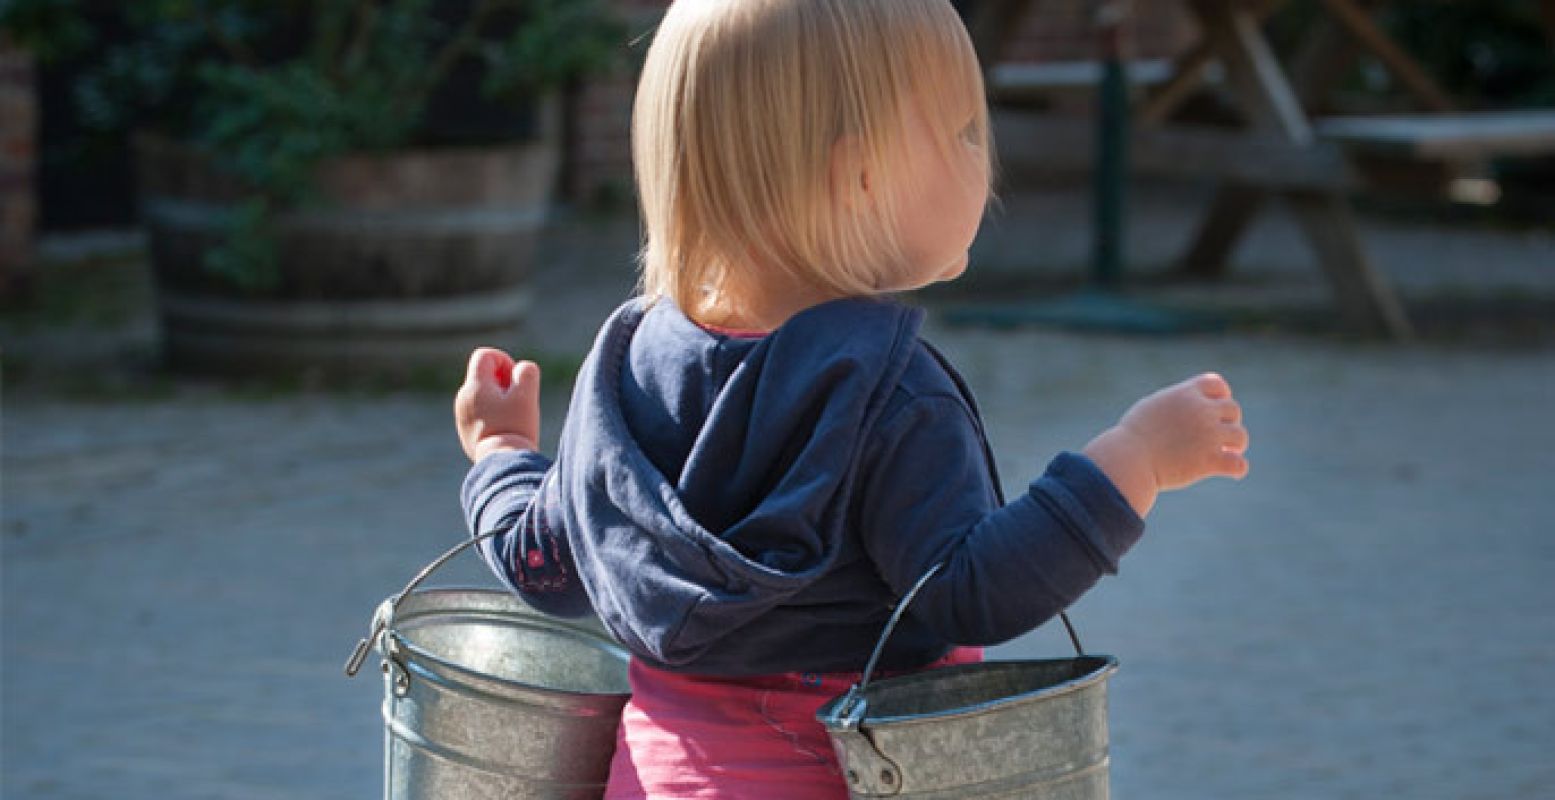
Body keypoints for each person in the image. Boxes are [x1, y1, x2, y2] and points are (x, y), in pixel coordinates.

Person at [453, 0, 1250, 797]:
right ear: (861, 177)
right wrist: (1131, 460)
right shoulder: (891, 391)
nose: (986, 160)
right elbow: (968, 593)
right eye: (966, 131)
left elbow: (548, 567)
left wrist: (500, 454)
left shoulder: (624, 368)